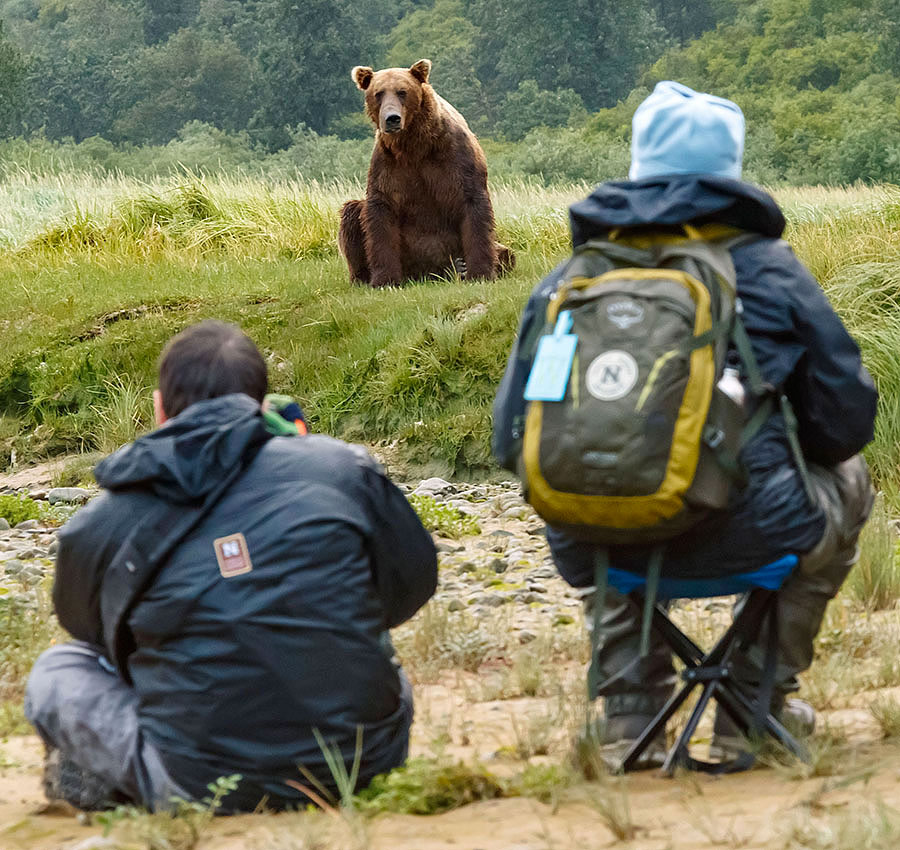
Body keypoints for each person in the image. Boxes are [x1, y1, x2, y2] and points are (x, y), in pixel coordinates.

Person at [492, 81, 877, 763]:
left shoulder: (569, 280)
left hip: (591, 545)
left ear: (638, 162)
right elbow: (844, 423)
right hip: (751, 534)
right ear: (731, 170)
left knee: (597, 486)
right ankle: (753, 707)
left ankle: (627, 719)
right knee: (849, 478)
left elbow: (508, 440)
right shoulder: (768, 269)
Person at [25, 320, 438, 811]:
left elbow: (90, 632)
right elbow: (411, 586)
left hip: (200, 781)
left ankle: (124, 776)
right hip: (366, 762)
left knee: (60, 666)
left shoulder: (102, 521)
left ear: (160, 409)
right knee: (377, 652)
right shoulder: (343, 469)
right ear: (262, 405)